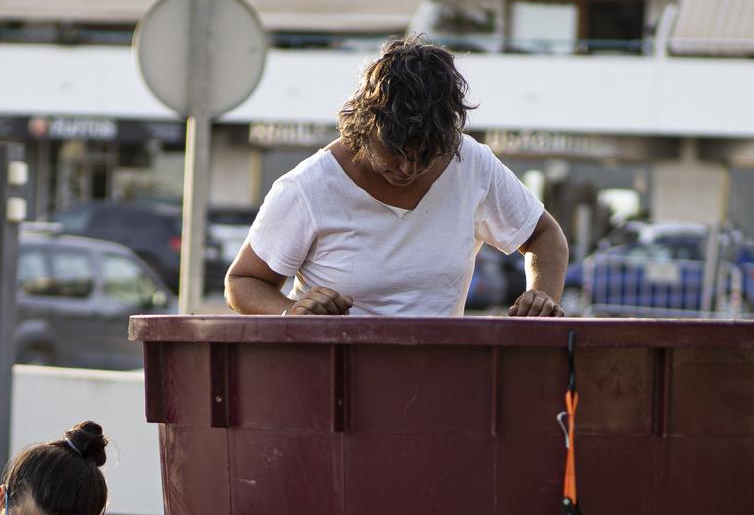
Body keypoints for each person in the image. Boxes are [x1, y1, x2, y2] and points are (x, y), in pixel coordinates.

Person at [224, 36, 569, 320]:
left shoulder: (471, 163)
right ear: (365, 126)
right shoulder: (307, 187)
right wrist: (292, 312)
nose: (408, 169)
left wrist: (541, 297)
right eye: (395, 152)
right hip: (335, 379)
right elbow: (242, 282)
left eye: (426, 156)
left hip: (435, 376)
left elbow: (544, 235)